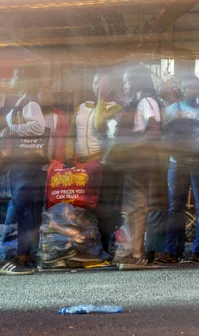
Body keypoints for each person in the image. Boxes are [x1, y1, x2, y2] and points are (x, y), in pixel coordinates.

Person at [110, 66, 162, 270]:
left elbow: (154, 131)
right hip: (133, 161)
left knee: (138, 207)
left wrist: (131, 145)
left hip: (142, 161)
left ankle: (137, 253)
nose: (125, 83)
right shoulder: (135, 101)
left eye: (129, 79)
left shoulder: (147, 101)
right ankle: (131, 250)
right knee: (132, 208)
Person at [161, 74, 199, 263]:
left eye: (194, 87)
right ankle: (171, 251)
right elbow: (163, 135)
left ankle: (196, 252)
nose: (191, 90)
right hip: (176, 161)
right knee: (175, 206)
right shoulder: (170, 110)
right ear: (181, 90)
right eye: (187, 87)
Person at [65, 72, 123, 255]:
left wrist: (101, 98)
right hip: (80, 165)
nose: (98, 86)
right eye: (96, 82)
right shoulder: (81, 107)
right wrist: (67, 157)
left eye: (103, 84)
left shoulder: (115, 108)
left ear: (111, 88)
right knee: (79, 208)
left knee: (101, 210)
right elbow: (71, 134)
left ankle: (102, 248)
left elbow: (99, 124)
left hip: (101, 165)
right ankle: (80, 249)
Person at [0, 67, 47, 275]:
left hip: (27, 163)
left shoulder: (30, 103)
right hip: (18, 163)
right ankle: (22, 252)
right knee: (23, 208)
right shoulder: (19, 103)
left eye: (16, 76)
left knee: (21, 207)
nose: (12, 79)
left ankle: (16, 254)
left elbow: (38, 127)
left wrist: (11, 130)